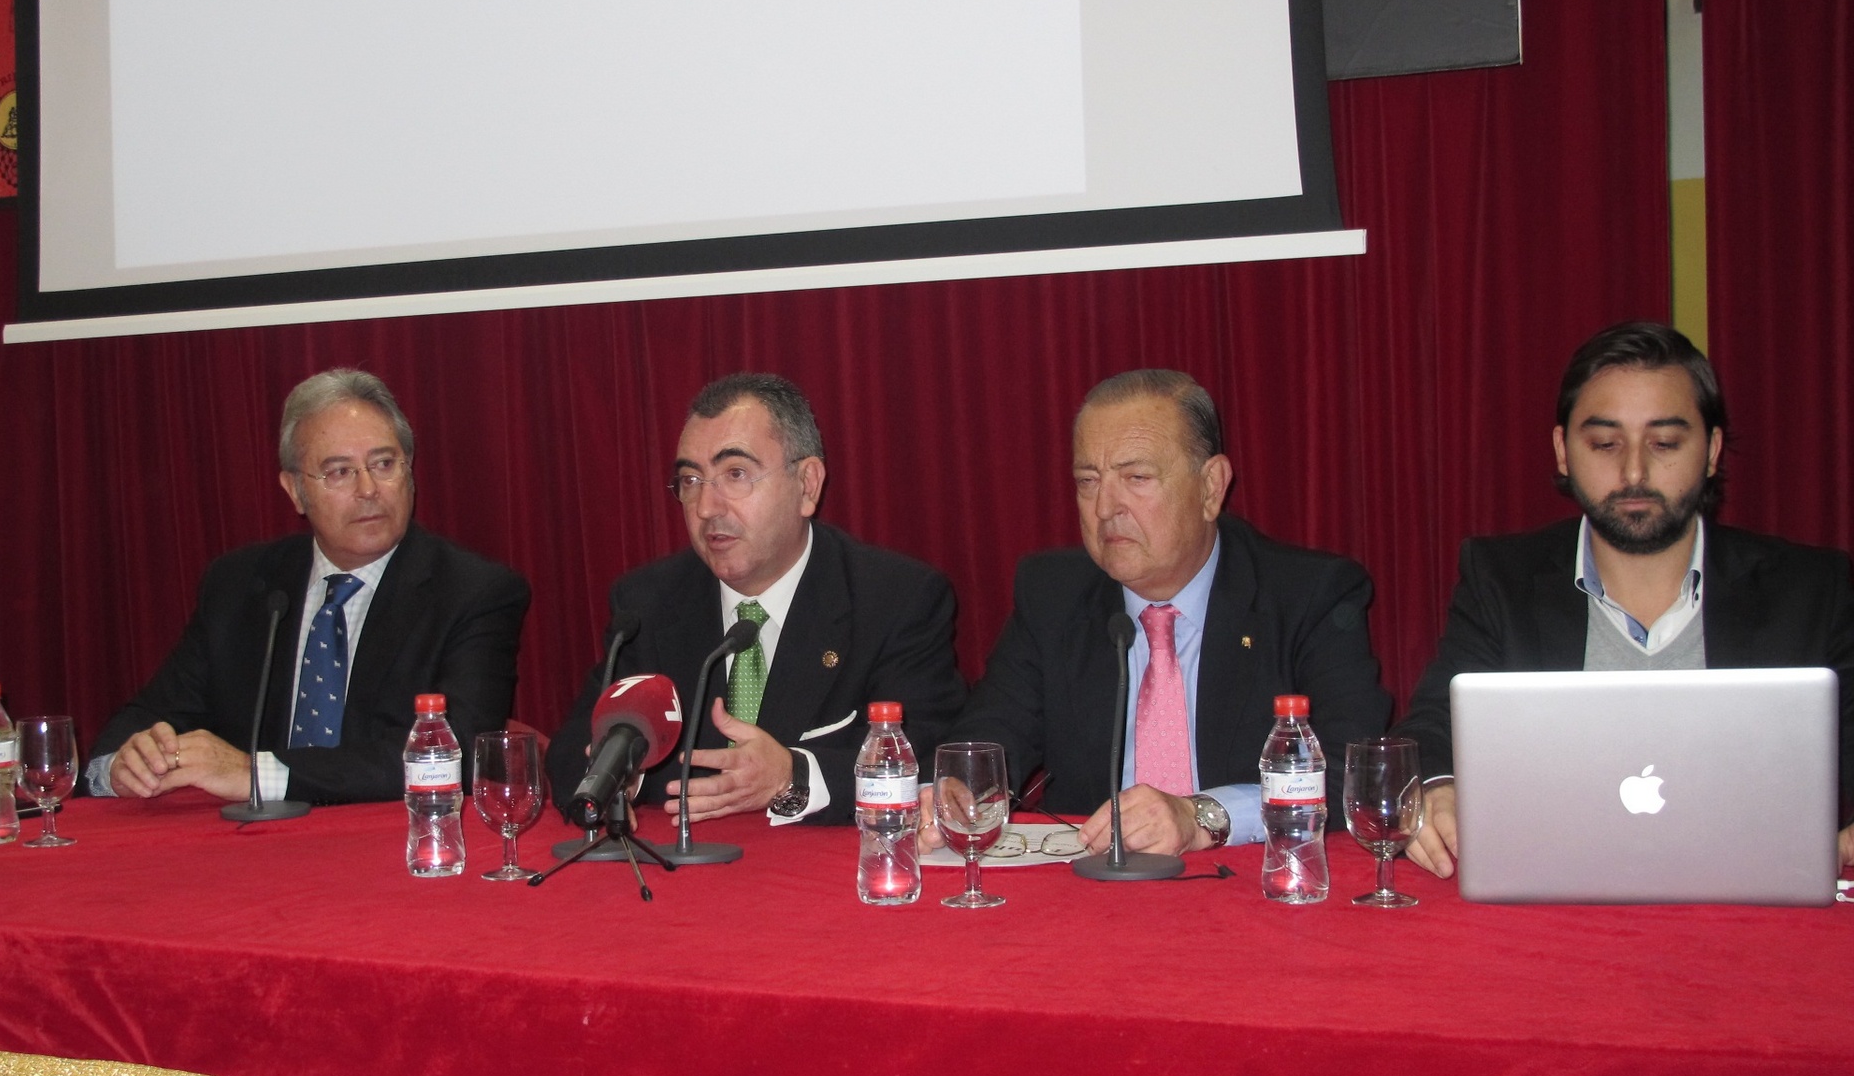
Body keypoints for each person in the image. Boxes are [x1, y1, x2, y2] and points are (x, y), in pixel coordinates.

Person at [1398, 321, 1854, 876]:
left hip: (1750, 898)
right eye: (1605, 444)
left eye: (1665, 443)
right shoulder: (1502, 579)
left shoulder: (1811, 588)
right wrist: (1438, 786)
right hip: (1557, 891)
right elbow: (1432, 727)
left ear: (1712, 451)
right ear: (1563, 451)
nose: (1634, 471)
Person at [934, 369, 1392, 856]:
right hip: (1089, 881)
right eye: (1088, 481)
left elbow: (1353, 773)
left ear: (1211, 488)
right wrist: (956, 792)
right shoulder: (1054, 595)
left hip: (1250, 878)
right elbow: (989, 740)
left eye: (1136, 478)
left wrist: (1203, 816)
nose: (1105, 508)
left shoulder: (1307, 596)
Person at [87, 369, 531, 805]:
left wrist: (256, 773)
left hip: (389, 838)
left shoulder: (474, 593)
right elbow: (153, 714)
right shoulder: (238, 585)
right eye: (339, 472)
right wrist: (121, 766)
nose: (368, 489)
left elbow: (458, 752)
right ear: (295, 491)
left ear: (409, 471)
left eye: (383, 464)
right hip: (244, 840)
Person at [547, 372, 966, 824]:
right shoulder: (648, 604)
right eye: (691, 479)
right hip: (679, 860)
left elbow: (931, 753)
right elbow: (573, 749)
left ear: (807, 485)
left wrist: (793, 776)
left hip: (822, 864)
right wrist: (615, 778)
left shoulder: (893, 599)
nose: (706, 507)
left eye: (736, 474)